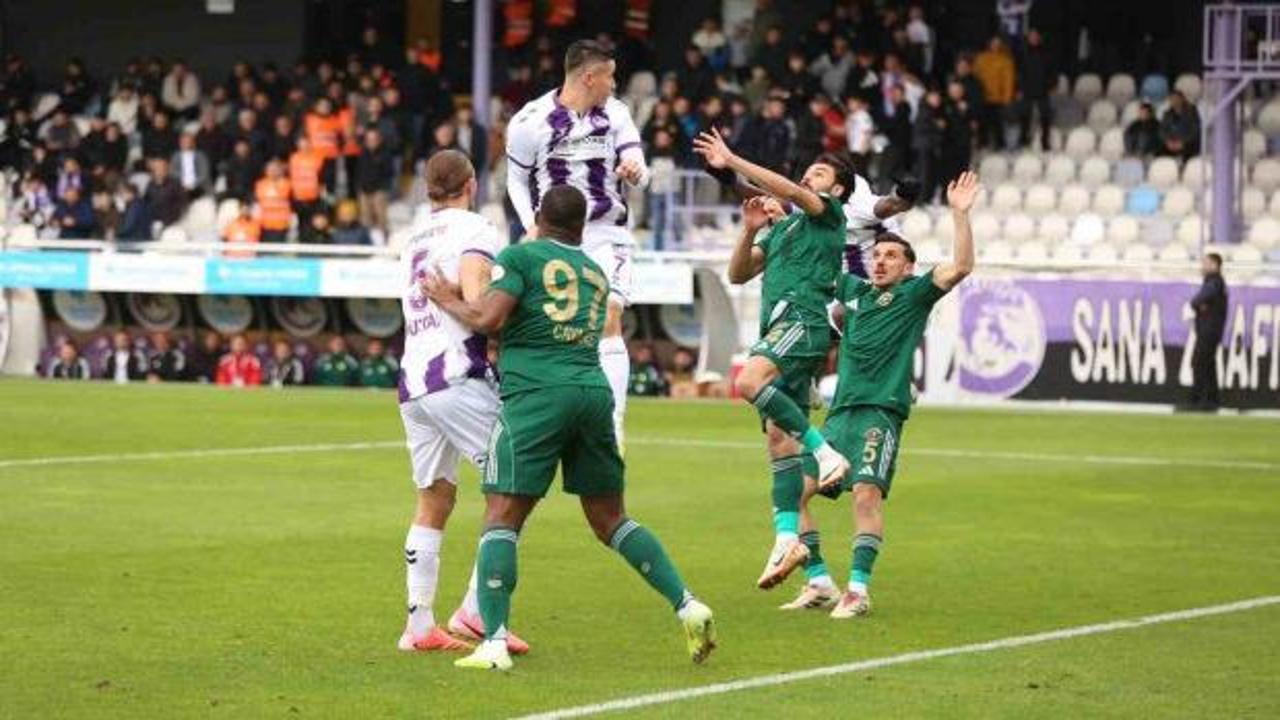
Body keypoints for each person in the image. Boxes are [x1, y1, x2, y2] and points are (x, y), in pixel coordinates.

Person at [421, 185, 715, 672]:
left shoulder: (521, 257)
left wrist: (448, 297)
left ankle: (493, 643)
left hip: (538, 393)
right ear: (581, 228)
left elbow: (489, 318)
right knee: (610, 519)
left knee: (501, 514)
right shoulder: (594, 272)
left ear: (539, 217)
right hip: (592, 392)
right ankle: (687, 604)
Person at [692, 127, 854, 590]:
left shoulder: (829, 215)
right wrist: (749, 231)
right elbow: (738, 273)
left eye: (819, 173)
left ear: (838, 189)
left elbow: (791, 192)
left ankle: (826, 453)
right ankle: (804, 561)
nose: (808, 177)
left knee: (747, 381)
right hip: (778, 330)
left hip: (802, 321)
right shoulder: (783, 229)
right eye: (809, 171)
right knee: (779, 442)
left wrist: (732, 159)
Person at [813, 171, 979, 618]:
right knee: (797, 489)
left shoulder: (913, 295)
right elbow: (816, 262)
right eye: (877, 255)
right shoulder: (854, 291)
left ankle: (858, 591)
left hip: (879, 413)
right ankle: (817, 579)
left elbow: (961, 267)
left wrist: (960, 215)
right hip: (839, 414)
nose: (881, 261)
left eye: (891, 256)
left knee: (866, 494)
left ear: (907, 267)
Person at [393, 149, 529, 655]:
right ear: (471, 184)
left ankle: (419, 625)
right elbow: (479, 306)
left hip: (414, 382)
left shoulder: (412, 238)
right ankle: (475, 610)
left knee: (435, 497)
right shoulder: (475, 230)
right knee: (514, 485)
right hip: (457, 377)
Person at [506, 40, 651, 448]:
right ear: (590, 77)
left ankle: (613, 427)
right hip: (554, 237)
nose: (614, 84)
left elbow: (642, 172)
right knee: (553, 330)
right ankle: (546, 414)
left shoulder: (617, 113)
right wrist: (530, 225)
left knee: (608, 317)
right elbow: (516, 180)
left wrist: (635, 171)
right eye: (610, 76)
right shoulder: (530, 120)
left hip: (606, 232)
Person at [1188, 253, 1228, 411]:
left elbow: (1196, 301)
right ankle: (1211, 400)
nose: (1202, 267)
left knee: (1200, 363)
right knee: (1208, 364)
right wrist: (1200, 306)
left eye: (1205, 263)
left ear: (1214, 265)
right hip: (1211, 330)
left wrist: (1199, 305)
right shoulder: (1215, 282)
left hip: (1209, 331)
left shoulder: (1214, 282)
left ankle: (1200, 400)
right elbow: (1200, 302)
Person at [973, 36, 1015, 150]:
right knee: (983, 121)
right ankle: (983, 143)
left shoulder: (1005, 60)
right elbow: (975, 76)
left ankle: (999, 144)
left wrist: (1007, 98)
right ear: (989, 44)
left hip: (998, 98)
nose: (995, 46)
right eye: (993, 43)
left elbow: (1008, 80)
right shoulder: (981, 58)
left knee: (998, 122)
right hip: (982, 96)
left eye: (998, 44)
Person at [254, 159, 292, 243]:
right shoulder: (260, 184)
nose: (272, 172)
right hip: (264, 225)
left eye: (275, 169)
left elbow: (292, 203)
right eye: (270, 169)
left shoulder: (288, 184)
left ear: (280, 171)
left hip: (281, 225)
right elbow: (257, 204)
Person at [169, 132, 211, 199]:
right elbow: (172, 172)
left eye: (188, 142)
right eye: (184, 142)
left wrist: (191, 185)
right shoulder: (175, 156)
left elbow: (204, 174)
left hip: (199, 186)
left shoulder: (201, 156)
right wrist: (183, 184)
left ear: (193, 143)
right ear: (180, 143)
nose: (186, 144)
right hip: (181, 186)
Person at [1161, 91, 1201, 160]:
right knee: (1161, 153)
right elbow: (1162, 130)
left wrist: (1183, 142)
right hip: (1171, 143)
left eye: (1176, 98)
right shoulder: (1167, 114)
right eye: (1172, 99)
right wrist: (1168, 141)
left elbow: (1195, 130)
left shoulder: (1192, 111)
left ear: (1182, 99)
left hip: (1188, 144)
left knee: (1189, 152)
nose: (1174, 101)